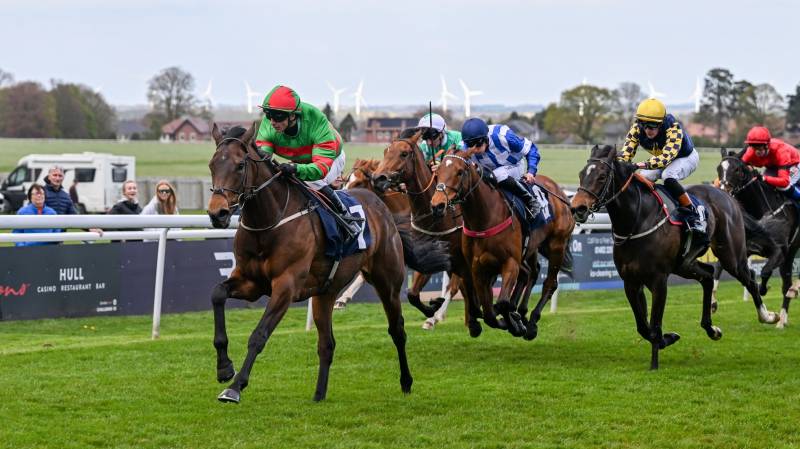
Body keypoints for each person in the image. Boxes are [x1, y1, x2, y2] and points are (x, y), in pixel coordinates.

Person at [255, 84, 361, 237]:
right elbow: (261, 160)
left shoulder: (316, 120)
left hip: (330, 159)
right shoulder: (270, 123)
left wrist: (295, 169)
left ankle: (344, 214)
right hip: (301, 161)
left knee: (311, 182)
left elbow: (320, 169)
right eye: (268, 114)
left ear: (292, 115)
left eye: (277, 116)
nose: (272, 121)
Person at [618, 98, 705, 235]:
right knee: (641, 177)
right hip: (661, 157)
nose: (648, 130)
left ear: (661, 123)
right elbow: (625, 154)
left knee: (668, 176)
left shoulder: (673, 127)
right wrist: (617, 164)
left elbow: (665, 159)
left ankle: (694, 213)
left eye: (652, 126)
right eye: (644, 125)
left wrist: (638, 164)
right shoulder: (636, 128)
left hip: (685, 157)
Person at [460, 117, 542, 218]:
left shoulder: (503, 136)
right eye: (471, 146)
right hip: (489, 172)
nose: (475, 150)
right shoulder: (463, 147)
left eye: (478, 145)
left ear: (486, 138)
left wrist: (531, 172)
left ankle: (531, 200)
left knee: (498, 175)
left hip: (514, 165)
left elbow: (531, 149)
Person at [741, 126, 800, 200]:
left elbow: (784, 181)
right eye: (753, 146)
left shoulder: (781, 151)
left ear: (767, 145)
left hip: (793, 164)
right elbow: (740, 165)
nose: (756, 151)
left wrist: (764, 178)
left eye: (759, 146)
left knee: (781, 187)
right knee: (763, 185)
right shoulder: (750, 151)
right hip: (774, 166)